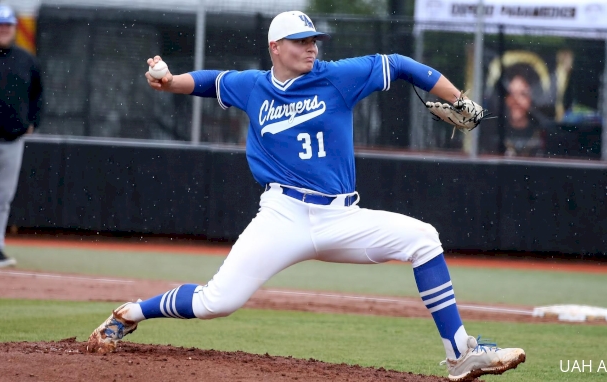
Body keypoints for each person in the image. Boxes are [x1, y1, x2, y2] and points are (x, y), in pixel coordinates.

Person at [87, 11, 525, 381]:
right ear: (275, 46)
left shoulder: (338, 77)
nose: (311, 47)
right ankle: (129, 314)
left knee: (424, 239)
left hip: (342, 217)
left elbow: (403, 64)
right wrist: (168, 79)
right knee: (216, 302)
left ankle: (460, 353)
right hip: (283, 214)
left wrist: (457, 99)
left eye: (313, 39)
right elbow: (205, 82)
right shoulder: (253, 85)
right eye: (300, 41)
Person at [0, 4, 42, 268]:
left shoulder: (25, 58)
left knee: (1, 198)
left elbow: (37, 94)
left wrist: (33, 122)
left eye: (8, 25)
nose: (4, 29)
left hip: (12, 142)